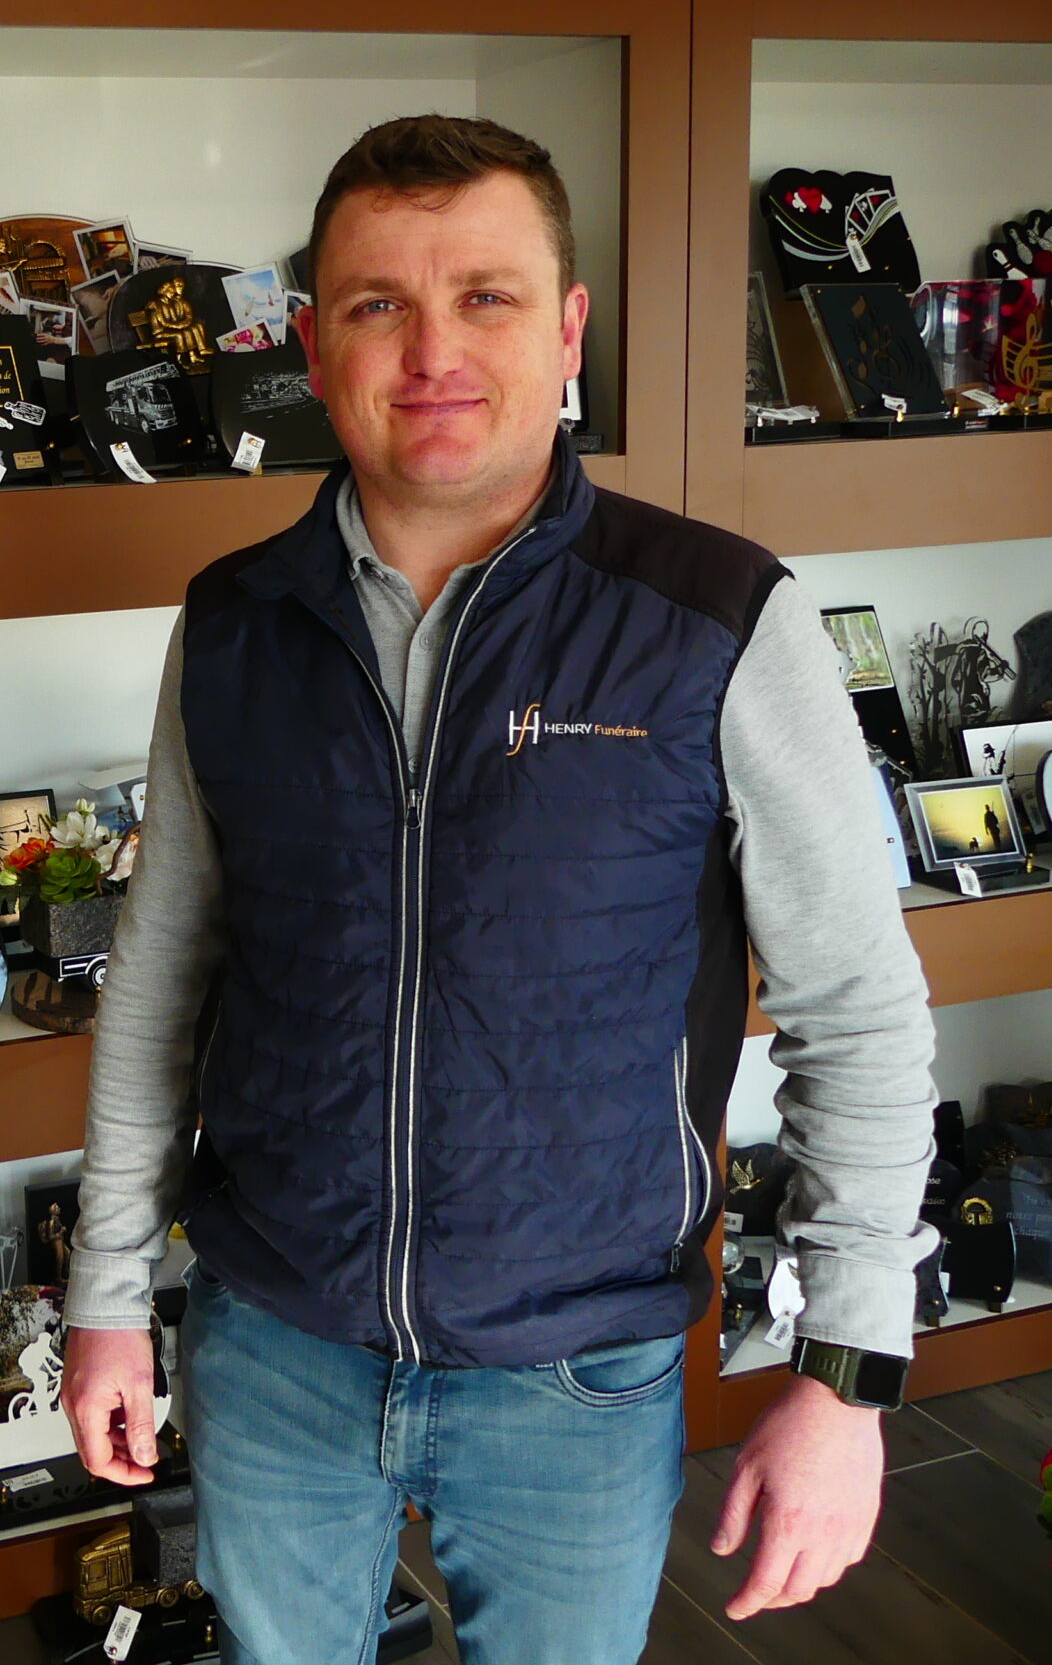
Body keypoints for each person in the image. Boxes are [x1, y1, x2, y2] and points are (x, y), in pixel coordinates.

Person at [59, 115, 936, 1665]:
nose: (432, 351)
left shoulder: (716, 620)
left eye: (486, 296)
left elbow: (857, 1011)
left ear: (569, 328)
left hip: (575, 1372)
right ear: (314, 344)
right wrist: (107, 1295)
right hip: (272, 1345)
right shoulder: (234, 627)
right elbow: (161, 982)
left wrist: (849, 1370)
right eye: (377, 304)